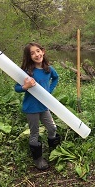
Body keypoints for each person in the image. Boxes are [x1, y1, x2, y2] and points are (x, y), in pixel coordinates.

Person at [15, 42, 61, 170]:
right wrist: (25, 87)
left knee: (52, 128)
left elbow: (56, 78)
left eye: (38, 51)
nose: (36, 54)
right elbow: (17, 88)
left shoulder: (48, 69)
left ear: (43, 51)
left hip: (44, 106)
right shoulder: (27, 72)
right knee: (34, 133)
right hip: (31, 108)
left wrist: (49, 92)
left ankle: (54, 150)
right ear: (29, 57)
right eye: (32, 53)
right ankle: (38, 159)